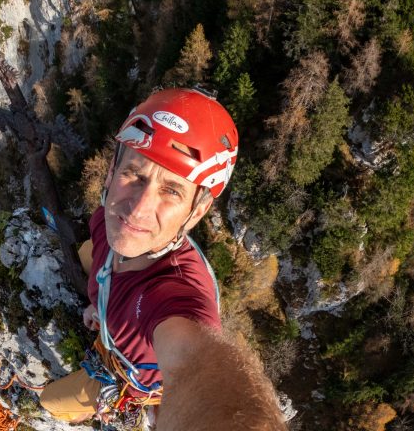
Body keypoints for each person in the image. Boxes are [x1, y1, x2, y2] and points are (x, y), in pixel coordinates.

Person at [39, 88, 286, 430]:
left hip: (125, 375)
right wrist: (99, 306)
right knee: (89, 251)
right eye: (134, 175)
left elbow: (195, 362)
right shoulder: (104, 220)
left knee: (48, 402)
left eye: (171, 191)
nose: (137, 209)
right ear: (111, 172)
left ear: (197, 210)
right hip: (112, 313)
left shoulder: (172, 297)